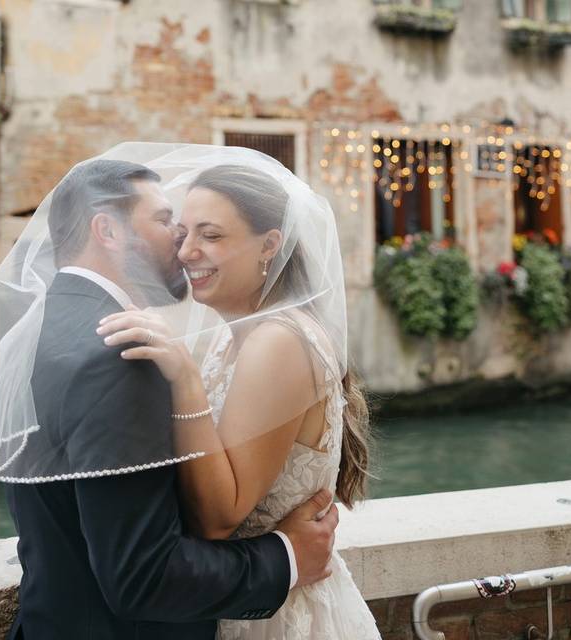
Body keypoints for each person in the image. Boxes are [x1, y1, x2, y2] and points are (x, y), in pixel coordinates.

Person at [0, 156, 340, 640]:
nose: (181, 243)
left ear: (270, 247)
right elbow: (144, 575)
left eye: (207, 234)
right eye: (164, 221)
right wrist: (286, 557)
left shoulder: (36, 332)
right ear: (107, 231)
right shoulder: (118, 355)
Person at [98, 159, 380, 639]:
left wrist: (185, 379)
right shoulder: (235, 336)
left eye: (211, 235)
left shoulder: (279, 341)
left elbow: (218, 517)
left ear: (269, 244)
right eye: (183, 232)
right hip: (246, 600)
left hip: (275, 617)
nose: (187, 251)